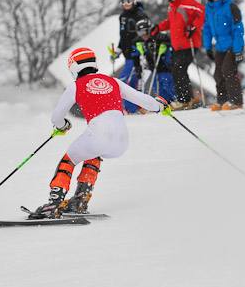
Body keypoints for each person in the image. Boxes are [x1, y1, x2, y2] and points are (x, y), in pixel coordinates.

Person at [34, 48, 168, 217]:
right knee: (93, 155)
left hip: (98, 135)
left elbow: (56, 117)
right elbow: (143, 99)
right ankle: (80, 200)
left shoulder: (75, 86)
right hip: (121, 141)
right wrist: (159, 105)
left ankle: (53, 204)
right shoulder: (113, 82)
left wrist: (62, 126)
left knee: (68, 160)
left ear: (74, 67)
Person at [151, 0, 205, 110]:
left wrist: (193, 27)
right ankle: (185, 100)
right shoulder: (172, 6)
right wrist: (158, 27)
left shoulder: (188, 2)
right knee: (176, 71)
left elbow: (203, 12)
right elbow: (171, 22)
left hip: (189, 43)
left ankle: (185, 100)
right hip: (177, 45)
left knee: (178, 70)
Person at [202, 0, 245, 111]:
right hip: (220, 46)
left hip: (233, 45)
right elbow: (207, 29)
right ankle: (223, 101)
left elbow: (238, 29)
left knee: (228, 71)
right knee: (218, 74)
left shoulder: (230, 7)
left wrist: (238, 50)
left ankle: (236, 101)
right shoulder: (209, 8)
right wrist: (208, 47)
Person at [113, 0, 150, 114]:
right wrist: (118, 49)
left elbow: (146, 35)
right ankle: (132, 108)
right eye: (123, 1)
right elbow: (123, 35)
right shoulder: (122, 16)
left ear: (134, 0)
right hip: (127, 54)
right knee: (132, 81)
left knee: (123, 80)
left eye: (128, 1)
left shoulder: (141, 16)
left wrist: (143, 50)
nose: (126, 4)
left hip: (137, 54)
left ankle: (135, 106)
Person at [131, 19, 176, 103]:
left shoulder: (159, 37)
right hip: (153, 67)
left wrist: (171, 61)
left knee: (168, 84)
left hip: (165, 66)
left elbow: (171, 48)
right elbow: (135, 54)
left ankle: (175, 100)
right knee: (157, 86)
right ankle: (166, 103)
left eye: (145, 32)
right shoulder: (138, 41)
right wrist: (137, 67)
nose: (143, 35)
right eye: (140, 33)